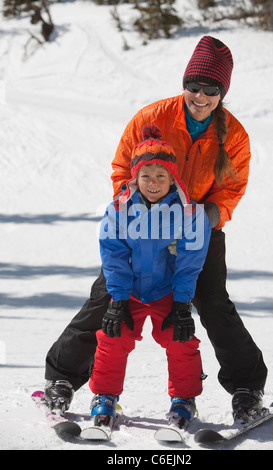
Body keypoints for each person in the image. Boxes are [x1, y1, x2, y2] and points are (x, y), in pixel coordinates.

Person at [44, 35, 268, 421]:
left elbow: (230, 190)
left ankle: (247, 387)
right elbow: (121, 169)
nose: (199, 96)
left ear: (222, 92)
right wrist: (140, 212)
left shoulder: (234, 135)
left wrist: (198, 221)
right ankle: (62, 378)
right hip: (141, 227)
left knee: (213, 303)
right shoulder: (153, 118)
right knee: (109, 299)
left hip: (197, 231)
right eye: (192, 86)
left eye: (210, 90)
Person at [88, 125, 211, 427]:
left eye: (160, 176)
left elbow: (189, 263)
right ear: (135, 177)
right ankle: (104, 396)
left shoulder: (190, 214)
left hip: (167, 292)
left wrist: (182, 304)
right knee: (113, 335)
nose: (153, 183)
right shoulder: (118, 210)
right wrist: (118, 299)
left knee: (180, 339)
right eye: (146, 176)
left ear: (172, 178)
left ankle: (183, 400)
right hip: (130, 292)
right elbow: (113, 256)